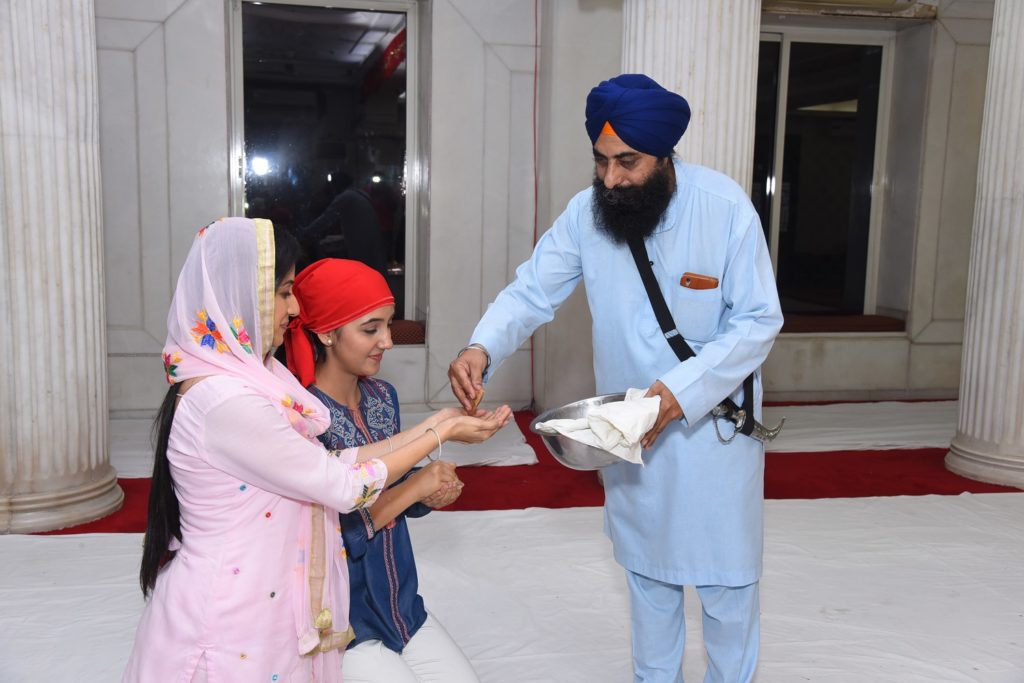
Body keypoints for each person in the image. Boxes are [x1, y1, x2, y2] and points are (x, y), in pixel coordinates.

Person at [448, 74, 784, 682]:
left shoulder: (725, 208)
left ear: (664, 155)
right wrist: (482, 346)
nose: (610, 179)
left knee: (726, 586)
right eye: (601, 162)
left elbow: (760, 320)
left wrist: (677, 396)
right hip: (629, 434)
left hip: (712, 433)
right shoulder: (587, 214)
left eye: (627, 162)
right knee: (648, 577)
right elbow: (532, 290)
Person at [124, 217, 509, 683]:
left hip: (278, 604)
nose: (292, 308)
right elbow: (343, 488)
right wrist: (437, 440)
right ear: (241, 294)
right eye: (284, 292)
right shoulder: (225, 400)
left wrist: (439, 423)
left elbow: (329, 465)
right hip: (232, 618)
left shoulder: (256, 379)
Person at [285, 258, 483, 683]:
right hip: (344, 622)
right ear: (325, 332)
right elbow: (340, 534)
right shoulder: (303, 418)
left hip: (403, 606)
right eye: (370, 329)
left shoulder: (382, 397)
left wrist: (429, 490)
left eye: (389, 325)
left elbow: (394, 494)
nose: (388, 341)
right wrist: (416, 488)